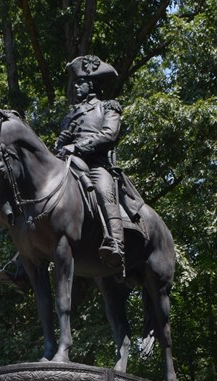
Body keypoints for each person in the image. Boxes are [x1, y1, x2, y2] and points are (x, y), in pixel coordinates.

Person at [54, 55, 126, 270]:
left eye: (80, 84)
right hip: (68, 163)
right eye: (74, 84)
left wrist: (77, 146)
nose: (75, 88)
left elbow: (108, 135)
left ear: (91, 85)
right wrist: (61, 143)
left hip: (96, 164)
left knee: (104, 192)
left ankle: (116, 245)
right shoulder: (70, 115)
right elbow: (60, 145)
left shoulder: (107, 107)